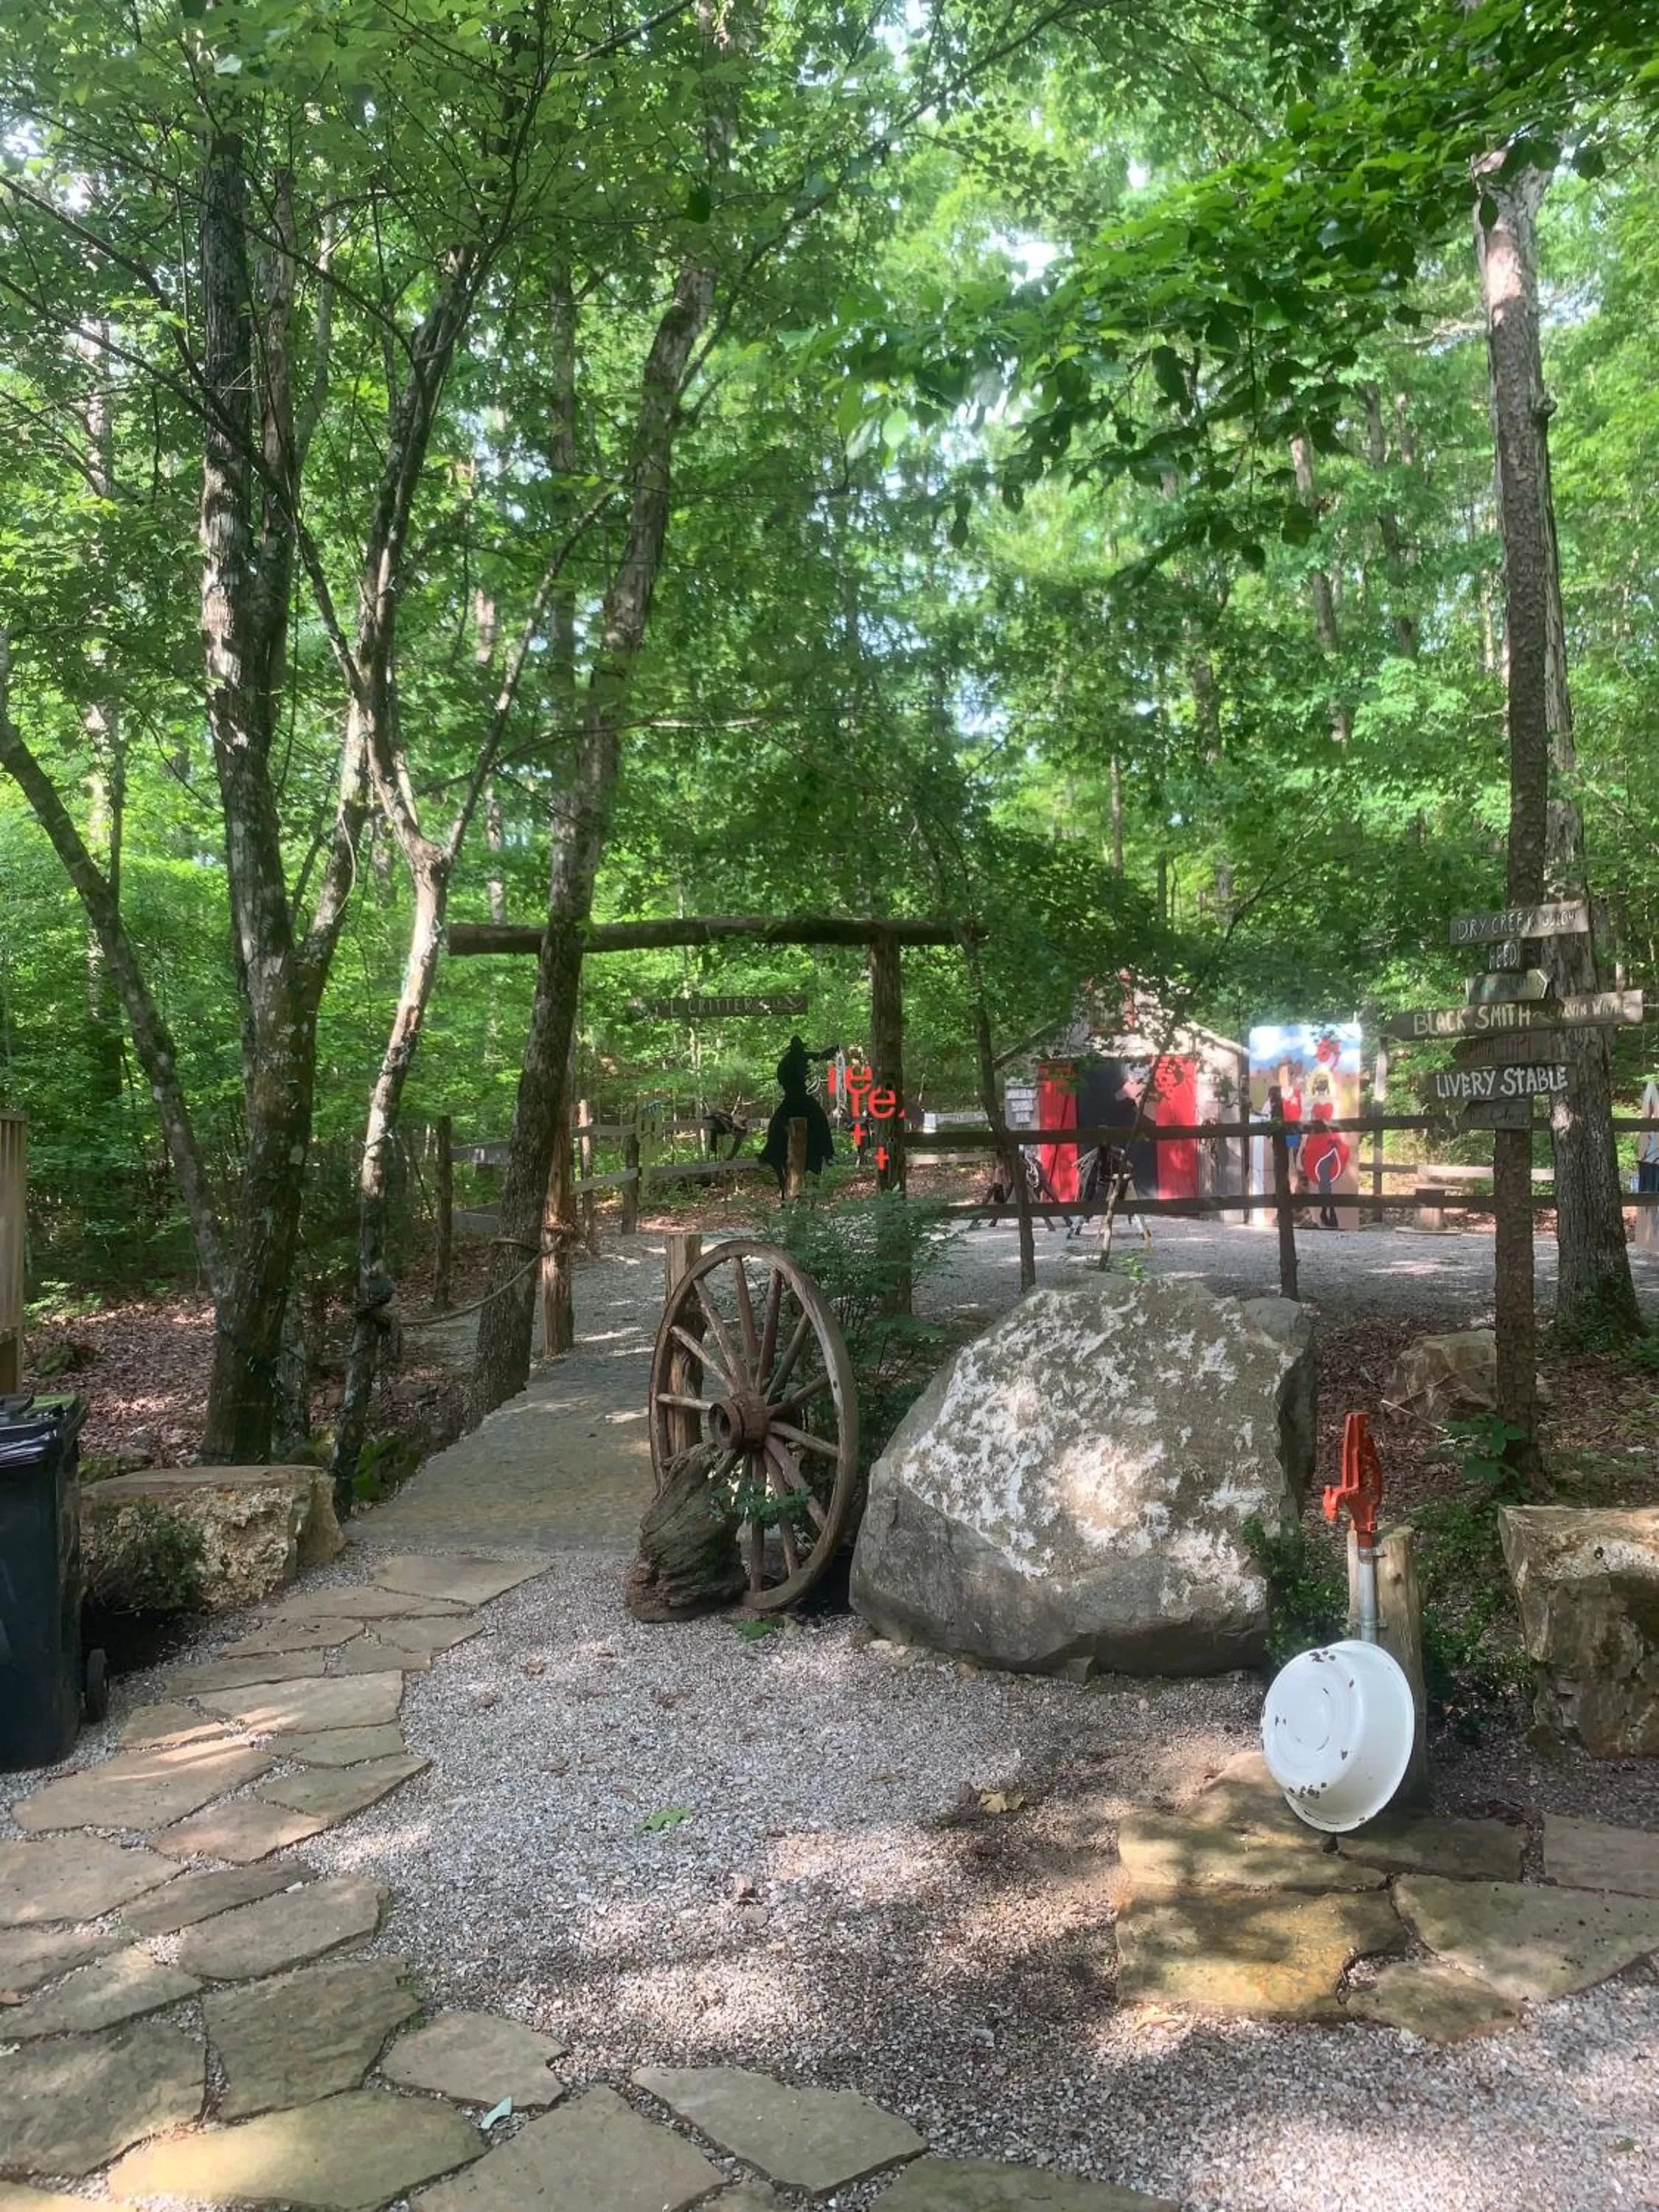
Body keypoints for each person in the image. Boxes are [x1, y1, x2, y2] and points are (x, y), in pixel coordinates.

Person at [759, 1034, 838, 1196]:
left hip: (791, 1099)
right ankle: (829, 1154)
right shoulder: (793, 1060)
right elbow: (818, 1056)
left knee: (782, 1121)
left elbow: (818, 1056)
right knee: (820, 1119)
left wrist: (830, 1052)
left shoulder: (789, 1060)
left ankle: (770, 1153)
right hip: (798, 1098)